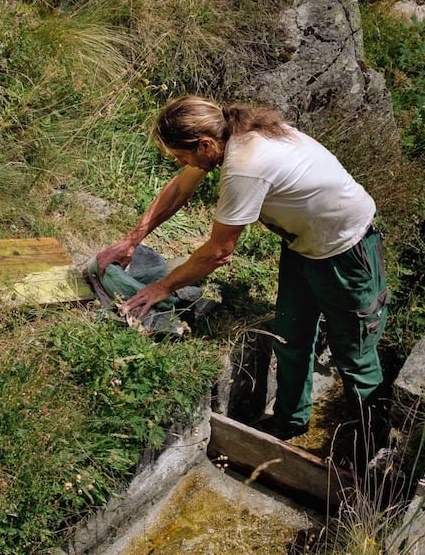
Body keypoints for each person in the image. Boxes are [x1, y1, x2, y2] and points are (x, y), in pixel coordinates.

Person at [96, 95, 389, 452]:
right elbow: (180, 188)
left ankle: (369, 449)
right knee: (290, 337)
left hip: (347, 252)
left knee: (355, 355)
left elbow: (219, 252)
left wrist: (161, 288)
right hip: (303, 246)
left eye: (182, 156)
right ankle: (289, 421)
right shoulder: (230, 134)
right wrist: (131, 240)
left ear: (205, 145)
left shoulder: (245, 163)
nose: (182, 163)